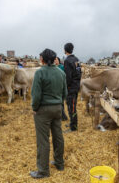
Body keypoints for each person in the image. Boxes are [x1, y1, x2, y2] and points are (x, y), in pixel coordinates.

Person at [30, 49, 67, 179]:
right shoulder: (61, 72)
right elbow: (65, 93)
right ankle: (59, 163)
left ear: (42, 59)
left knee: (43, 140)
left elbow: (36, 94)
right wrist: (59, 104)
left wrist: (34, 107)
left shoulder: (40, 72)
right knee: (58, 136)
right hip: (57, 108)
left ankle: (43, 171)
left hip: (43, 110)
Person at [63, 43, 81, 132]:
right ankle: (72, 123)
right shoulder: (76, 59)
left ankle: (74, 127)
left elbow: (68, 76)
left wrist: (67, 87)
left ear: (65, 50)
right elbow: (79, 73)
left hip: (71, 87)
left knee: (71, 107)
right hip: (76, 85)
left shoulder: (67, 61)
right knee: (72, 105)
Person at [54, 57, 68, 121]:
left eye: (56, 59)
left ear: (59, 60)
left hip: (61, 85)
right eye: (54, 60)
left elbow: (64, 76)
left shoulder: (62, 67)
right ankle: (62, 116)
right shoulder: (53, 67)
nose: (55, 61)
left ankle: (62, 116)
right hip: (55, 86)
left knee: (61, 101)